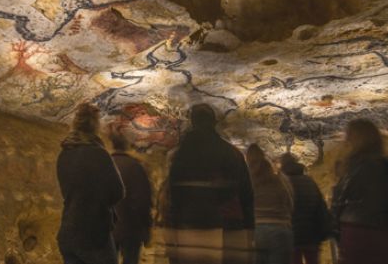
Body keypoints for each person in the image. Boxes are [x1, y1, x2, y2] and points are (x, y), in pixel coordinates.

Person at [166, 104, 254, 264]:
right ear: (214, 123)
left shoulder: (180, 155)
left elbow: (174, 195)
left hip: (189, 224)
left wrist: (172, 226)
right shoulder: (231, 153)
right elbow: (246, 194)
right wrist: (249, 227)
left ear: (192, 122)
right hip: (227, 225)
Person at [57, 103, 125, 264]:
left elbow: (67, 192)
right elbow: (118, 191)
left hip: (68, 232)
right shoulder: (99, 154)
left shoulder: (64, 155)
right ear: (95, 125)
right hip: (94, 235)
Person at [331, 119, 388, 264]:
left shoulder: (352, 167)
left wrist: (335, 228)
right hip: (387, 230)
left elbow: (339, 200)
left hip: (355, 232)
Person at [109, 131, 153, 264]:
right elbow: (143, 202)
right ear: (127, 145)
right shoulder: (136, 167)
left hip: (108, 228)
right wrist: (146, 228)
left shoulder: (105, 164)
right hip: (131, 229)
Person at [279, 153, 331, 264]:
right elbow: (320, 207)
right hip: (311, 236)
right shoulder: (310, 182)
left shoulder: (282, 184)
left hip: (292, 237)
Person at [246, 144, 294, 264]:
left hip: (257, 231)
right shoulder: (280, 179)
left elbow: (245, 206)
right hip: (281, 229)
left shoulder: (248, 181)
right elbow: (290, 202)